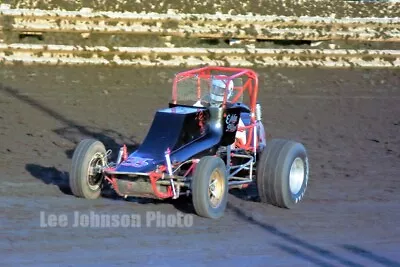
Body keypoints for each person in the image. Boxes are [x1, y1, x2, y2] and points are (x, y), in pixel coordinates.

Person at [194, 76, 247, 147]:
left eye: (220, 90)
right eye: (214, 88)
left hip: (222, 148)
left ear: (229, 92)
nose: (216, 92)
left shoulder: (232, 111)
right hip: (201, 142)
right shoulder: (199, 105)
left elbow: (241, 138)